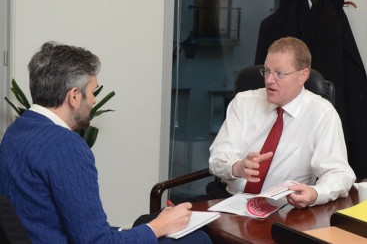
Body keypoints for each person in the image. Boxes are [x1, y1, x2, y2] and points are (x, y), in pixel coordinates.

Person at [0, 42, 212, 244]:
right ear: (74, 96)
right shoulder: (65, 146)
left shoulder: (16, 131)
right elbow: (96, 241)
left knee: (144, 222)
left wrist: (150, 226)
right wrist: (158, 227)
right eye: (92, 91)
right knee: (197, 239)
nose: (93, 100)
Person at [208, 37, 356, 209]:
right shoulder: (243, 102)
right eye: (267, 71)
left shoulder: (322, 113)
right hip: (229, 201)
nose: (269, 80)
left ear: (303, 75)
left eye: (279, 73)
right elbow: (217, 157)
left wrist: (316, 193)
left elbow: (339, 173)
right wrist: (236, 167)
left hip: (283, 210)